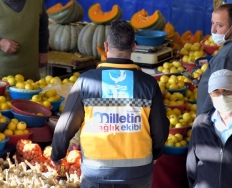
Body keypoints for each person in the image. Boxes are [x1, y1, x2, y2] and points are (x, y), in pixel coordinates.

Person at [50, 19, 169, 188]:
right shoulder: (149, 84)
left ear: (106, 47)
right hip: (137, 173)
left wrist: (57, 154)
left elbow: (66, 124)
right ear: (134, 47)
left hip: (96, 172)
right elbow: (160, 128)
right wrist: (155, 154)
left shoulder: (86, 81)